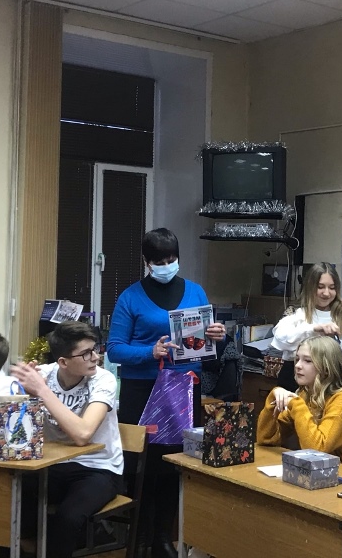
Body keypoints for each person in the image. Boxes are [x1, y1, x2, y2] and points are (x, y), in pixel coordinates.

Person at [106, 228, 226, 558]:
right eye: (159, 261)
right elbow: (114, 349)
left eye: (171, 259)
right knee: (145, 467)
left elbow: (207, 347)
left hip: (184, 389)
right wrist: (150, 352)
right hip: (143, 392)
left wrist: (217, 336)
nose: (166, 266)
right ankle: (141, 537)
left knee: (176, 463)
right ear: (147, 262)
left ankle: (163, 537)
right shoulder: (130, 297)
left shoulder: (196, 291)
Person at [12, 321, 123, 558]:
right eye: (86, 353)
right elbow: (9, 429)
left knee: (68, 517)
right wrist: (23, 393)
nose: (95, 357)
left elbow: (83, 435)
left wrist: (43, 392)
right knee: (10, 495)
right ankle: (28, 547)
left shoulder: (103, 379)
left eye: (95, 349)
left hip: (98, 467)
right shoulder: (43, 375)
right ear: (63, 362)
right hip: (53, 464)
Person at [257, 336, 342, 466]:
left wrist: (296, 404)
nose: (298, 365)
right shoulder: (305, 394)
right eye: (297, 359)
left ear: (326, 368)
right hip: (309, 470)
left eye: (307, 361)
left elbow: (317, 450)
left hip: (341, 472)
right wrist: (274, 397)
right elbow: (266, 439)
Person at [270, 262, 342, 392]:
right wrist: (314, 329)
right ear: (310, 286)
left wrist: (337, 380)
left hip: (328, 386)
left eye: (332, 288)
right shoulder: (296, 313)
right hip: (294, 381)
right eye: (320, 287)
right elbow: (280, 339)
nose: (326, 293)